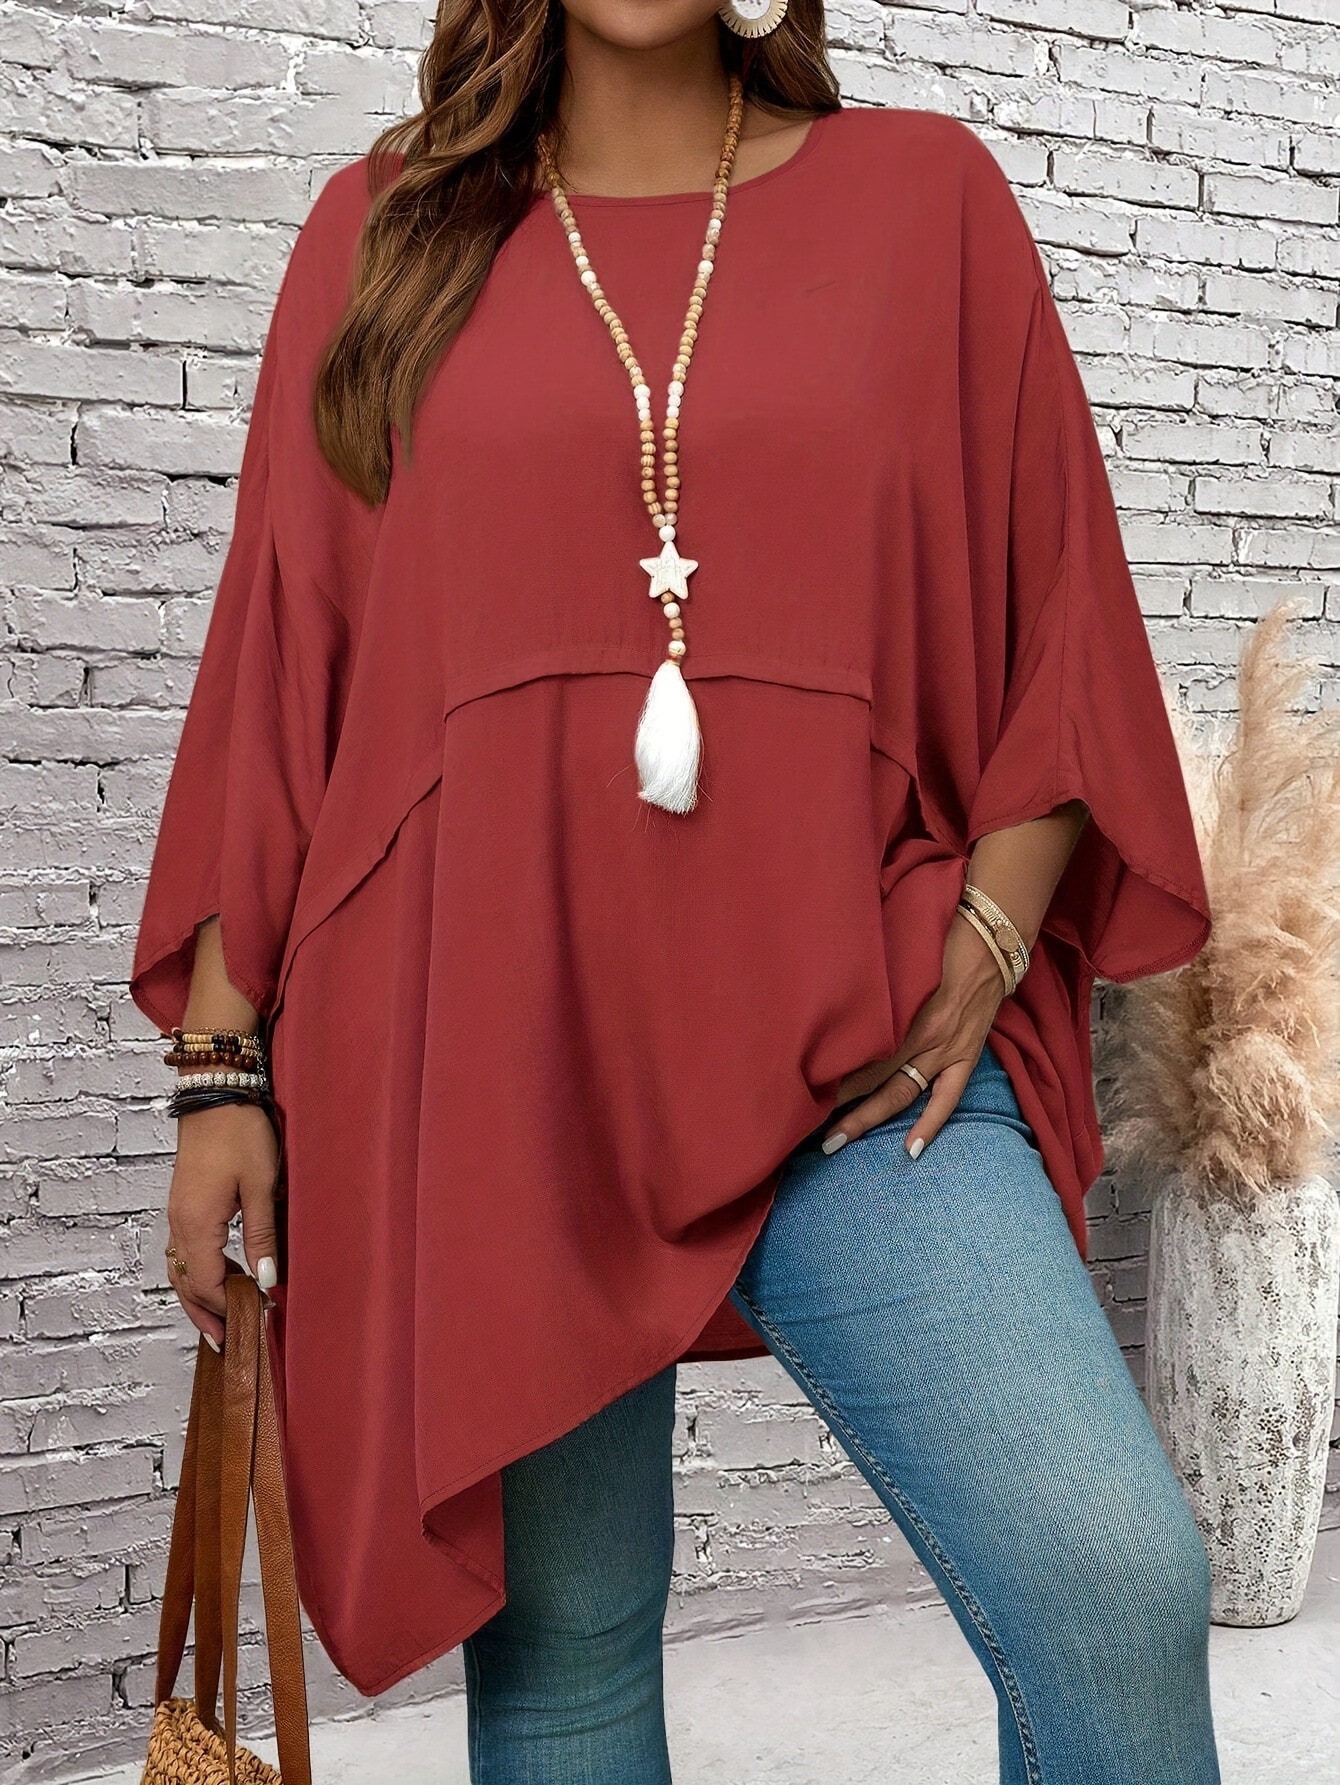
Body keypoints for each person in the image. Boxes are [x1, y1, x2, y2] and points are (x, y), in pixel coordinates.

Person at [128, 0, 1225, 1779]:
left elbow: (1061, 614)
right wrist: (219, 1068)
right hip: (502, 1066)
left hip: (858, 1026)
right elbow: (284, 668)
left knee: (1112, 1577)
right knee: (570, 1654)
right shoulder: (386, 233)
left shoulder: (927, 202)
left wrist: (993, 924)